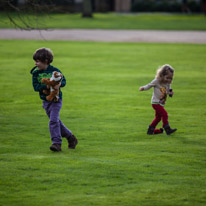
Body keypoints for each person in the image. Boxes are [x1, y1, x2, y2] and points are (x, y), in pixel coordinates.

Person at [30, 48, 78, 152]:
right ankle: (71, 138)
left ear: (46, 60)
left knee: (53, 121)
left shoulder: (55, 71)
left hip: (56, 100)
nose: (36, 63)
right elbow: (36, 87)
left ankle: (56, 143)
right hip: (46, 101)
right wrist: (46, 87)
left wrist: (59, 84)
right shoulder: (36, 73)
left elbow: (63, 81)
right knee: (56, 122)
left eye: (38, 61)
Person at [139, 64, 177, 135]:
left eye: (171, 78)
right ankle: (167, 128)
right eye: (167, 78)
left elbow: (168, 91)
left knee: (158, 118)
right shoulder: (157, 81)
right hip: (155, 103)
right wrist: (143, 88)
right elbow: (149, 85)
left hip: (161, 103)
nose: (169, 80)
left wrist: (170, 93)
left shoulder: (168, 83)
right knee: (165, 114)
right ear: (162, 75)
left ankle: (150, 130)